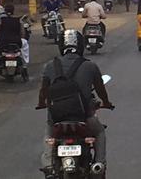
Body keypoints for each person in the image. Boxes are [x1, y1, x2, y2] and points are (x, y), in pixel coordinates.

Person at [37, 30, 114, 178]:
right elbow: (100, 90)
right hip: (85, 118)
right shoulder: (90, 66)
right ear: (81, 46)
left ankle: (48, 165)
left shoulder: (50, 66)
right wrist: (106, 103)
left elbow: (43, 91)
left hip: (56, 120)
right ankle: (99, 165)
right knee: (99, 132)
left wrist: (41, 103)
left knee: (49, 133)